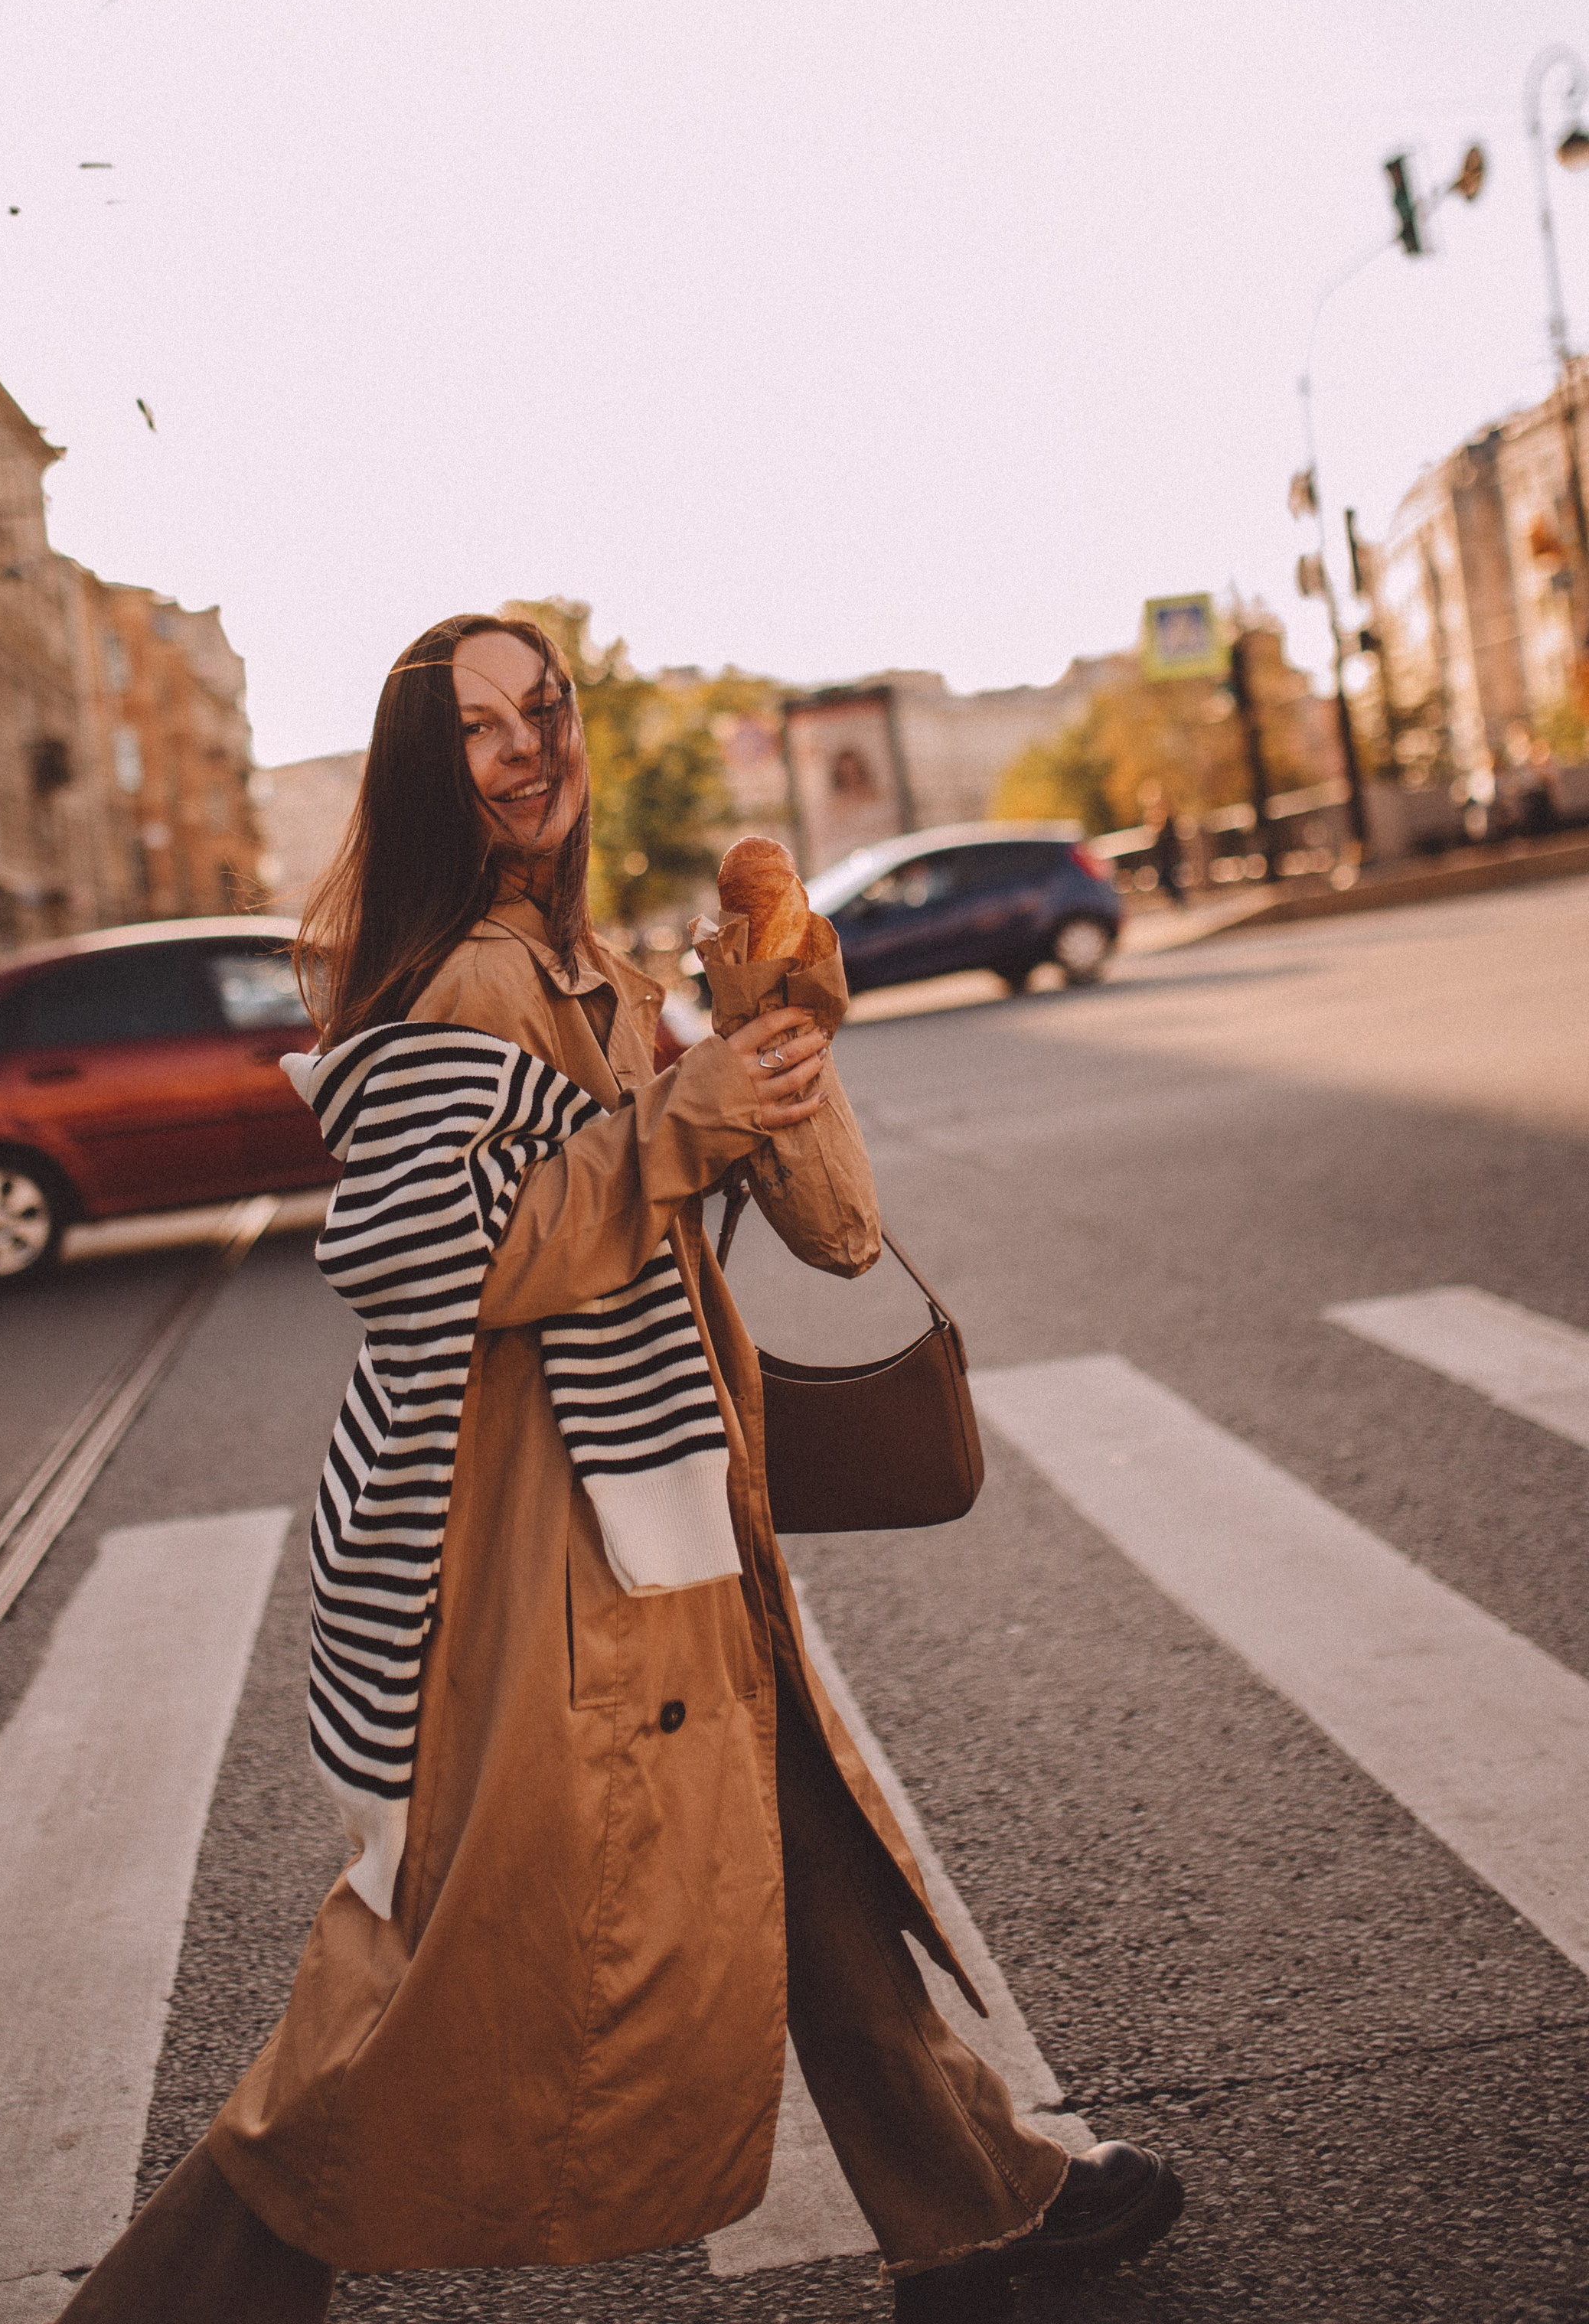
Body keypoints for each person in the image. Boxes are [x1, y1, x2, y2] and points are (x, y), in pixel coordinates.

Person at [60, 614, 1183, 2322]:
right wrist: (683, 1110)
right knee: (422, 1982)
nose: (529, 747)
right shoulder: (463, 984)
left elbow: (833, 1231)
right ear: (428, 778)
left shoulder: (592, 967)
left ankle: (976, 2209)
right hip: (533, 1552)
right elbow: (450, 1247)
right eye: (478, 730)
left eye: (545, 709)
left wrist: (774, 1026)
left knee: (796, 1841)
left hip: (656, 1517)